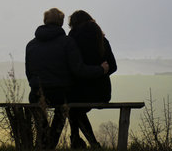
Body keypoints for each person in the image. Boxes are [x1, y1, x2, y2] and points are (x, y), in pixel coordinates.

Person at [25, 8, 109, 149]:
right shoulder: (67, 42)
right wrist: (101, 69)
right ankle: (51, 144)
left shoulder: (31, 45)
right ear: (61, 22)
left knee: (40, 114)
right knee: (65, 108)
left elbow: (29, 73)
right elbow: (79, 69)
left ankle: (44, 140)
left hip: (36, 94)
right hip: (60, 94)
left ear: (45, 21)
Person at [67, 10, 117, 149]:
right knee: (76, 110)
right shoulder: (101, 38)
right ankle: (91, 144)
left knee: (73, 108)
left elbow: (72, 68)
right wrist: (101, 72)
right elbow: (113, 66)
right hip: (102, 93)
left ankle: (78, 140)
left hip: (79, 93)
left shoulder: (72, 40)